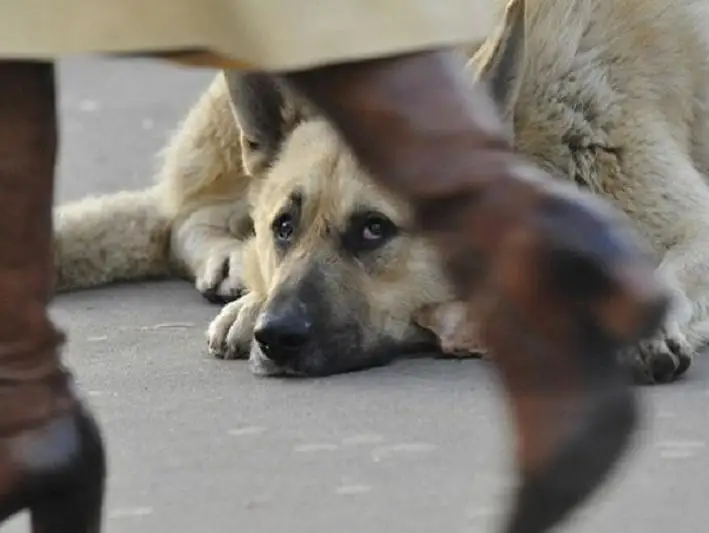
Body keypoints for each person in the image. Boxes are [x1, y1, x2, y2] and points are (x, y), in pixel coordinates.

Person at [0, 2, 669, 532]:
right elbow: (194, 207)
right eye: (282, 230)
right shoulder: (296, 150)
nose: (278, 320)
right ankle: (29, 403)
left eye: (371, 231)